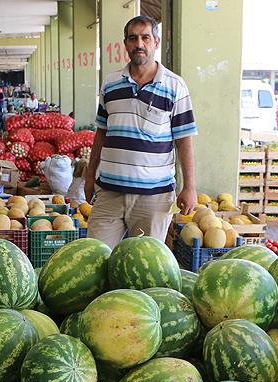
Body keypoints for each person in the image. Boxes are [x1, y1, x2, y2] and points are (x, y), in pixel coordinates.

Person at [84, 15, 198, 249]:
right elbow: (101, 133)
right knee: (95, 257)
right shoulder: (111, 83)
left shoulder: (175, 86)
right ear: (125, 44)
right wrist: (89, 174)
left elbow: (184, 139)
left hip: (153, 198)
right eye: (133, 38)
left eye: (145, 37)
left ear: (155, 42)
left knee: (145, 267)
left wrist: (190, 187)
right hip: (109, 192)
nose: (139, 44)